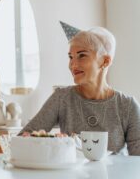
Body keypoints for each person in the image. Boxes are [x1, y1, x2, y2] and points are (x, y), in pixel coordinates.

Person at [20, 21, 140, 155]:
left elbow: (138, 160)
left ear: (105, 61)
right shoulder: (62, 98)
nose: (72, 64)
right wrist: (51, 144)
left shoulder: (128, 106)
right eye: (70, 57)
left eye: (82, 55)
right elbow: (22, 139)